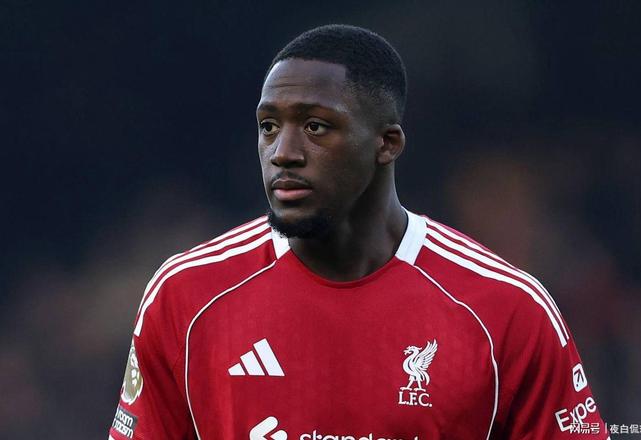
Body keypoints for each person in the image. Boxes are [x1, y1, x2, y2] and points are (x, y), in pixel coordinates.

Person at [109, 24, 609, 440]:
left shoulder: (505, 308)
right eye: (268, 127)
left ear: (387, 143)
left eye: (315, 126)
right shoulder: (187, 296)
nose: (283, 152)